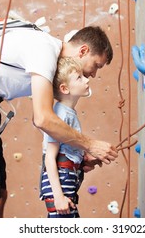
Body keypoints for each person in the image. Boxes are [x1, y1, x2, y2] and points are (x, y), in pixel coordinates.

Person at [0, 18, 118, 218]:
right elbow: (43, 118)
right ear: (83, 51)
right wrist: (90, 145)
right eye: (96, 65)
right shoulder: (44, 50)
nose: (93, 74)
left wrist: (77, 154)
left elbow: (51, 125)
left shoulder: (46, 50)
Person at [40, 57, 90, 218]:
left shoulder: (67, 113)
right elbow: (49, 157)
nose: (87, 79)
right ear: (65, 88)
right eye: (79, 77)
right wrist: (58, 197)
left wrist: (82, 161)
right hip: (60, 185)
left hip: (66, 181)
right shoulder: (61, 115)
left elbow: (66, 149)